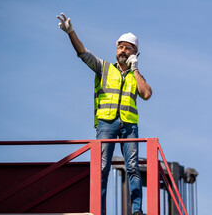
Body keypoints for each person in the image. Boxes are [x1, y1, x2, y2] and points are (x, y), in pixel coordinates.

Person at [57, 12, 152, 215]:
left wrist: (135, 70)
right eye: (120, 46)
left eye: (128, 48)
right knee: (101, 168)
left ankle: (137, 210)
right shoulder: (104, 68)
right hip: (106, 124)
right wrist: (71, 33)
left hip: (128, 125)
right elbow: (83, 53)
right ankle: (98, 211)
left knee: (133, 168)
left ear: (135, 53)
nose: (123, 50)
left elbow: (146, 94)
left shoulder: (137, 76)